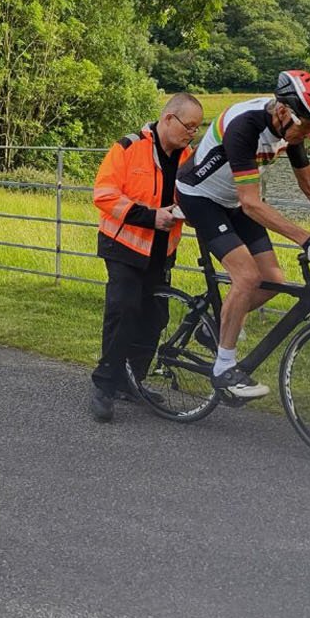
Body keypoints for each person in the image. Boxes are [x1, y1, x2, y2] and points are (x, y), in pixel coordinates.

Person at [175, 70, 310, 400]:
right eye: (308, 127)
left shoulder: (290, 129)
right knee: (246, 276)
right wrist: (307, 239)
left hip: (233, 199)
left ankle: (214, 324)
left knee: (272, 276)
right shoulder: (246, 125)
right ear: (284, 111)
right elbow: (252, 203)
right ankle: (224, 368)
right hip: (200, 197)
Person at [89, 93, 202, 422]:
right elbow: (104, 194)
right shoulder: (128, 147)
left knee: (155, 317)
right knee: (124, 310)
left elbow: (195, 196)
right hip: (123, 245)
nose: (191, 133)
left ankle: (131, 379)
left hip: (162, 249)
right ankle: (105, 385)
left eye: (196, 128)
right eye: (188, 126)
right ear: (169, 119)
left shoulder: (188, 158)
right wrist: (151, 217)